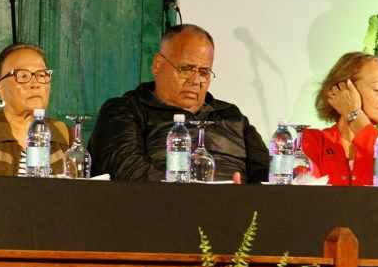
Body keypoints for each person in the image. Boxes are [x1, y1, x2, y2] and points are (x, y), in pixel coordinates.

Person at [89, 24, 268, 183]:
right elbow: (127, 171)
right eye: (186, 69)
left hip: (240, 213)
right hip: (163, 209)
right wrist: (198, 194)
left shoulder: (232, 115)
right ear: (158, 64)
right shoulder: (125, 110)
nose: (196, 80)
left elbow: (269, 175)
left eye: (204, 72)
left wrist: (246, 198)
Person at [0, 43, 73, 176]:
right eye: (23, 76)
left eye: (42, 75)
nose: (35, 84)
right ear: (0, 90)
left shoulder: (65, 134)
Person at [300, 53, 378, 186]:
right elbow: (305, 197)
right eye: (377, 88)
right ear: (342, 90)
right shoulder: (314, 141)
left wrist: (353, 114)